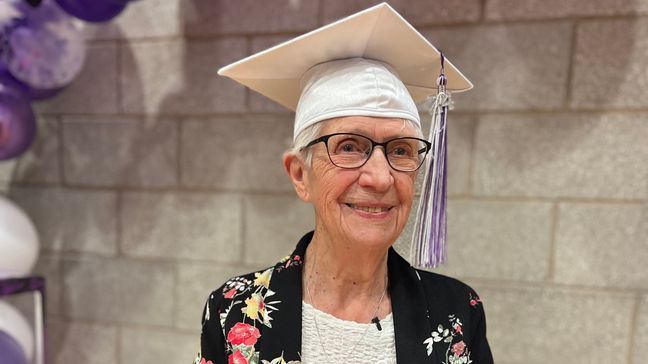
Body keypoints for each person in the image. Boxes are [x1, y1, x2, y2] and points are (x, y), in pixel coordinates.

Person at [195, 3, 493, 363]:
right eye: (349, 146)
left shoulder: (457, 314)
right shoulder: (234, 312)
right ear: (300, 175)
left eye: (401, 151)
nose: (381, 177)